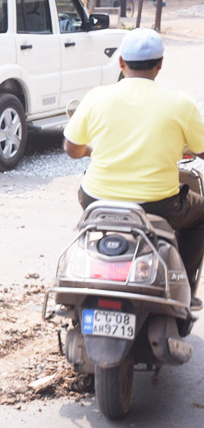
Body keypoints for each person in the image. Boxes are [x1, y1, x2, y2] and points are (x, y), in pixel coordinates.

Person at [64, 28, 204, 308]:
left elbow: (72, 148)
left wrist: (89, 150)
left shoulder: (96, 97)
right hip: (158, 205)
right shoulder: (180, 103)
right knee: (200, 214)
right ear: (160, 64)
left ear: (120, 62)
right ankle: (185, 290)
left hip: (96, 199)